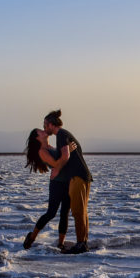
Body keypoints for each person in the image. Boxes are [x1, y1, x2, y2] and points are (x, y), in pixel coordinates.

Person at [43, 109, 93, 254]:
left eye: (45, 125)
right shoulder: (65, 135)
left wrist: (56, 169)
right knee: (81, 211)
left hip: (78, 177)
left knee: (78, 211)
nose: (45, 128)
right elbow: (65, 154)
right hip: (82, 176)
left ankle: (81, 244)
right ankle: (83, 242)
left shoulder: (61, 135)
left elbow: (64, 156)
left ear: (52, 125)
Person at [22, 128, 72, 250]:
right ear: (37, 138)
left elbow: (62, 162)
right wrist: (67, 151)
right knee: (51, 213)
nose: (44, 131)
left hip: (68, 182)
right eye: (41, 132)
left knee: (64, 213)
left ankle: (61, 243)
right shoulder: (42, 151)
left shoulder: (50, 146)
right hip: (56, 184)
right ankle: (32, 237)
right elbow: (56, 164)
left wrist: (67, 153)